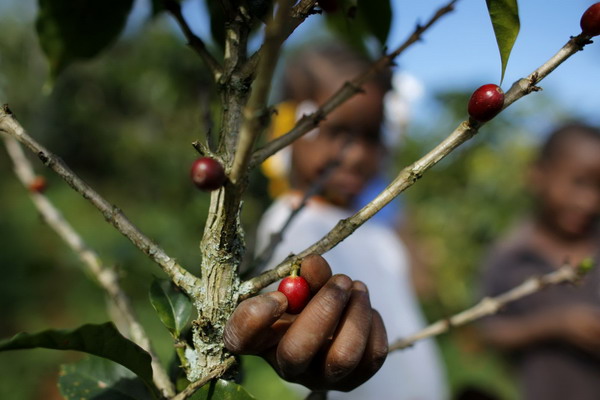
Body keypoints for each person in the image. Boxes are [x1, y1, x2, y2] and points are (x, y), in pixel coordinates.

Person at [226, 43, 448, 399]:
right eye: (338, 132)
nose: (358, 156)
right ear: (290, 127)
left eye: (372, 136)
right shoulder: (289, 226)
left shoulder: (380, 233)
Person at [479, 123, 600, 400]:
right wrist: (555, 325)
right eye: (579, 183)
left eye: (599, 187)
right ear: (538, 175)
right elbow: (490, 332)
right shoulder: (511, 257)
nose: (589, 201)